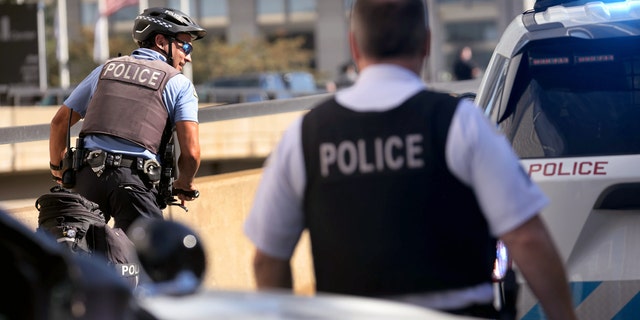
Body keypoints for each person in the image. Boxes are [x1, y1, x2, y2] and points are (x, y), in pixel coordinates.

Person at [243, 0, 577, 319]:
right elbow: (527, 238)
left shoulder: (306, 135)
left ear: (354, 46)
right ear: (426, 43)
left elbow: (267, 259)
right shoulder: (461, 123)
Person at [49, 7, 205, 234]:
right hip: (134, 182)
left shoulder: (105, 70)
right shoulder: (179, 84)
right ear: (161, 42)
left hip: (88, 177)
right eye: (185, 46)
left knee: (79, 255)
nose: (188, 57)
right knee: (152, 258)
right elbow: (191, 153)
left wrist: (58, 169)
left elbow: (59, 123)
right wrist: (185, 183)